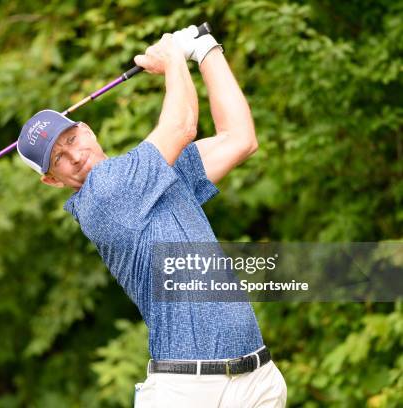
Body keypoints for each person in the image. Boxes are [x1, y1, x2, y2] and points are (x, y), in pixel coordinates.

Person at [17, 24, 287, 407]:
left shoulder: (153, 174)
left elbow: (239, 139)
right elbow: (181, 126)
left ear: (88, 130)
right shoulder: (104, 192)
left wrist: (206, 51)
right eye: (59, 157)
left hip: (256, 378)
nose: (75, 155)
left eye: (72, 139)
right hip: (188, 390)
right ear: (51, 180)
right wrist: (174, 57)